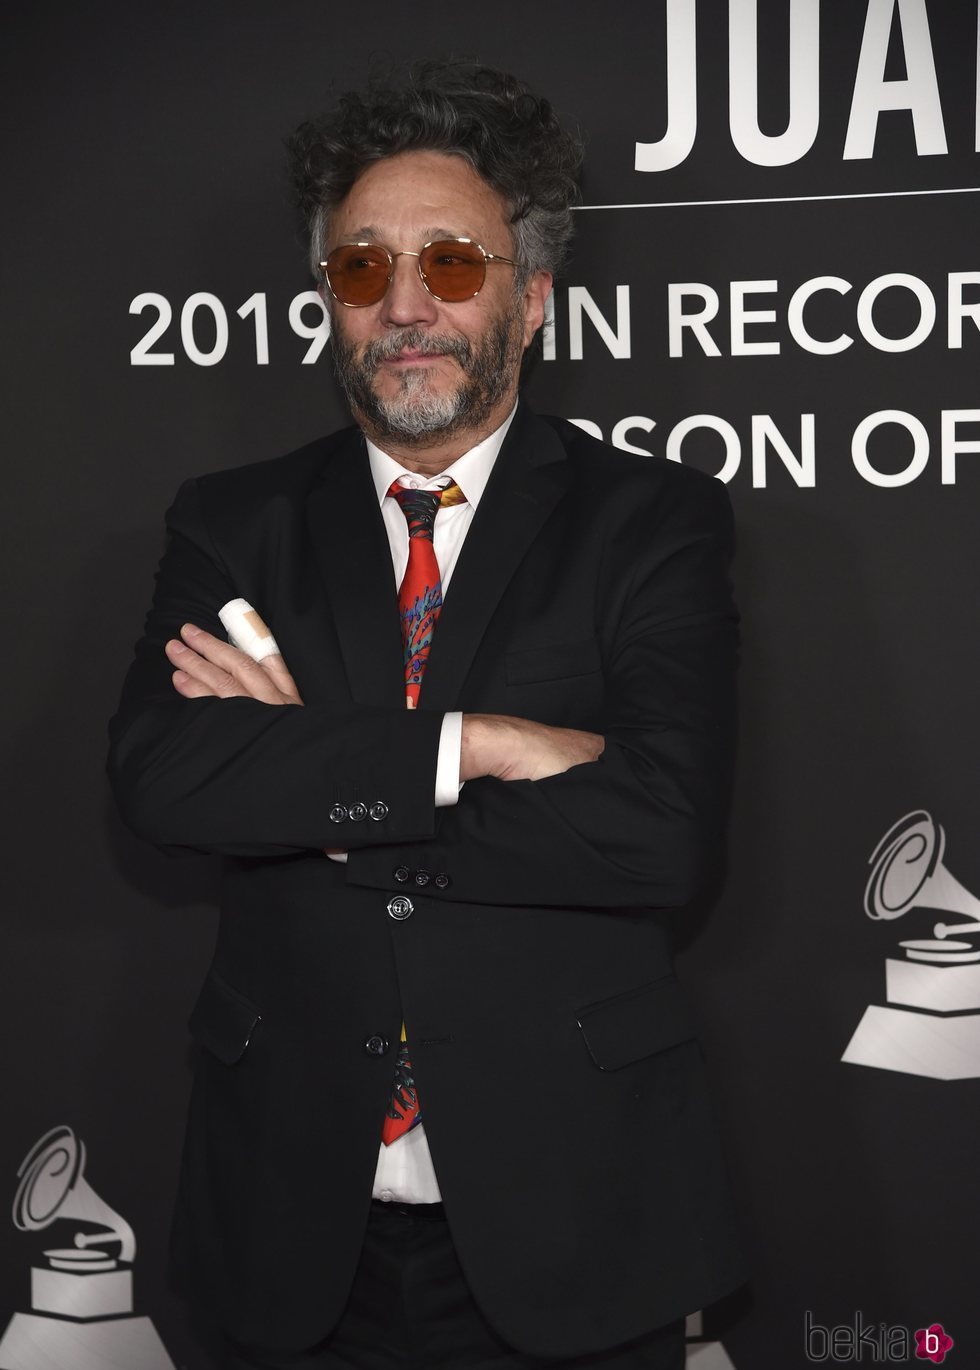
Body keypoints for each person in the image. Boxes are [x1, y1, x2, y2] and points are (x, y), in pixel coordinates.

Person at [109, 59, 745, 1370]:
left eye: (452, 264)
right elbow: (165, 781)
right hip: (290, 1218)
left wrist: (314, 782)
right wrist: (482, 748)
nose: (405, 306)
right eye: (362, 269)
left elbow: (664, 833)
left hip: (579, 1214)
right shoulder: (233, 524)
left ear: (537, 296)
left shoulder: (652, 525)